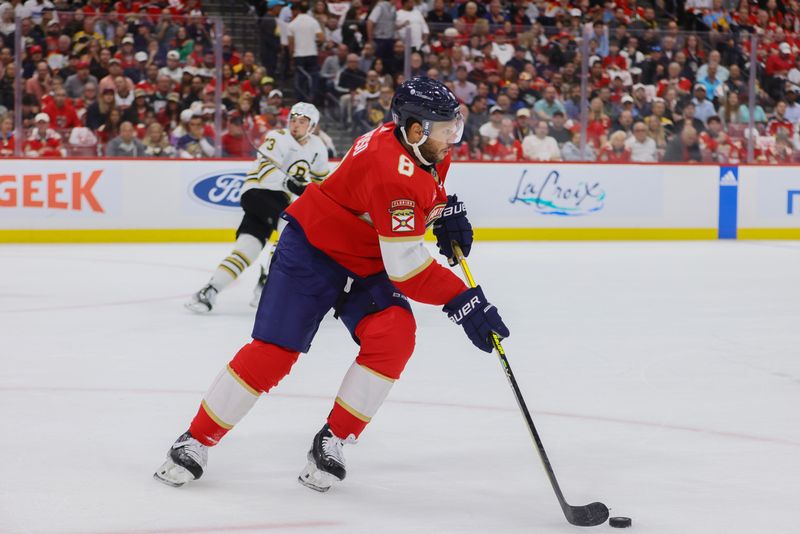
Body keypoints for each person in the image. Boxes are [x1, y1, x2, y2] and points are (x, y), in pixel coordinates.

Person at [155, 77, 509, 492]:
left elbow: (422, 192)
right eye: (447, 128)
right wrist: (463, 300)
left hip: (366, 257)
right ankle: (195, 439)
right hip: (313, 250)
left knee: (394, 335)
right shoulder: (389, 168)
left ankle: (333, 437)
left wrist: (443, 213)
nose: (455, 137)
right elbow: (408, 269)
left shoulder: (423, 148)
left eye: (455, 125)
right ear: (416, 129)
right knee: (274, 354)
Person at [185, 102, 330, 313]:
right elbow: (264, 171)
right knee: (290, 232)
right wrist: (291, 184)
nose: (295, 125)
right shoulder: (277, 137)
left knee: (247, 248)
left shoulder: (317, 147)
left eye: (302, 122)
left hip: (279, 201)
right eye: (293, 120)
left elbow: (321, 181)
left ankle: (209, 291)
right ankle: (266, 282)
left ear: (312, 125)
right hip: (259, 193)